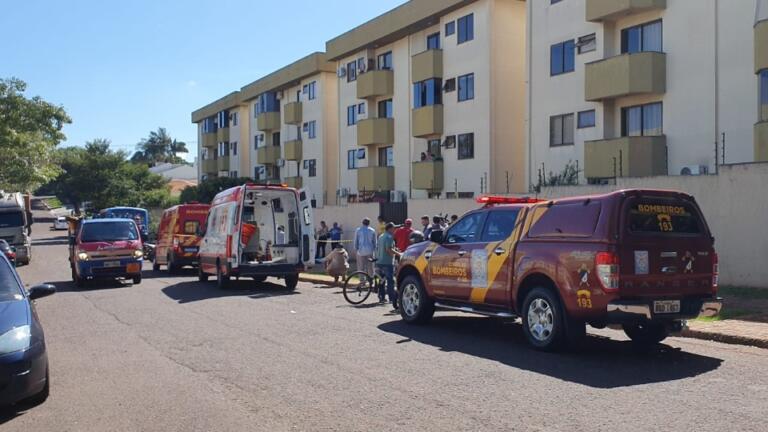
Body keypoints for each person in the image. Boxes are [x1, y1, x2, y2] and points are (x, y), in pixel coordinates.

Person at [376, 223, 401, 309]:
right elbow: (388, 250)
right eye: (394, 228)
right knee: (390, 281)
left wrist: (395, 250)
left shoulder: (381, 236)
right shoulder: (390, 237)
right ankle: (391, 298)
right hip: (387, 262)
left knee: (381, 280)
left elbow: (382, 248)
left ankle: (381, 297)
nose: (395, 230)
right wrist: (398, 254)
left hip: (379, 261)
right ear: (390, 228)